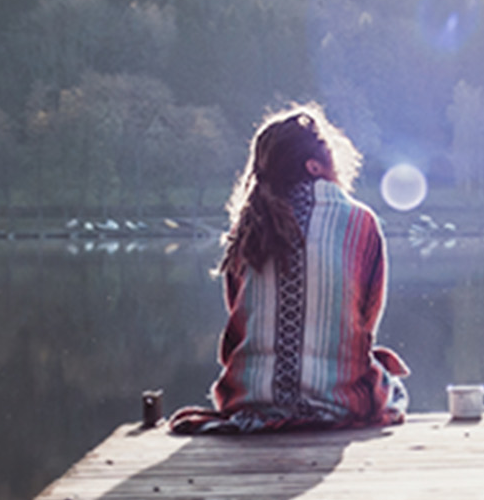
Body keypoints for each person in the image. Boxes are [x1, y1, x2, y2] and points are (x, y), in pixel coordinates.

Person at [167, 105, 409, 434]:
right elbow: (365, 322)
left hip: (250, 399)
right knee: (393, 387)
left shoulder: (251, 226)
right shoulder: (360, 222)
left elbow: (238, 324)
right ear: (313, 166)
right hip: (339, 403)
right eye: (332, 158)